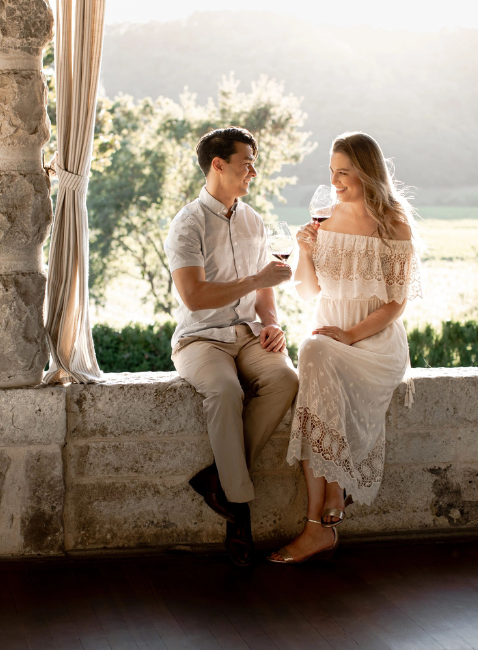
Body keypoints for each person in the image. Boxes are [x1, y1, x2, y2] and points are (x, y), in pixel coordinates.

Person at [269, 132, 422, 564]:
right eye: (331, 172)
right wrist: (303, 249)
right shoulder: (323, 220)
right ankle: (323, 511)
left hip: (372, 342)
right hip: (326, 339)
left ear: (368, 172)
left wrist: (351, 335)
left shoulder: (393, 223)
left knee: (314, 359)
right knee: (315, 358)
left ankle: (316, 526)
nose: (335, 181)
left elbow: (396, 302)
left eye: (344, 172)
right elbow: (309, 292)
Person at [165, 126, 300, 567]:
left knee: (284, 378)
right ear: (218, 165)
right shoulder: (188, 223)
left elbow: (264, 296)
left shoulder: (253, 220)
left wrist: (273, 324)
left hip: (246, 335)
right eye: (247, 163)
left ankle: (220, 481)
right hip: (200, 338)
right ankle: (239, 513)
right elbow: (195, 297)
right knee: (225, 392)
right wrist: (259, 279)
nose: (254, 172)